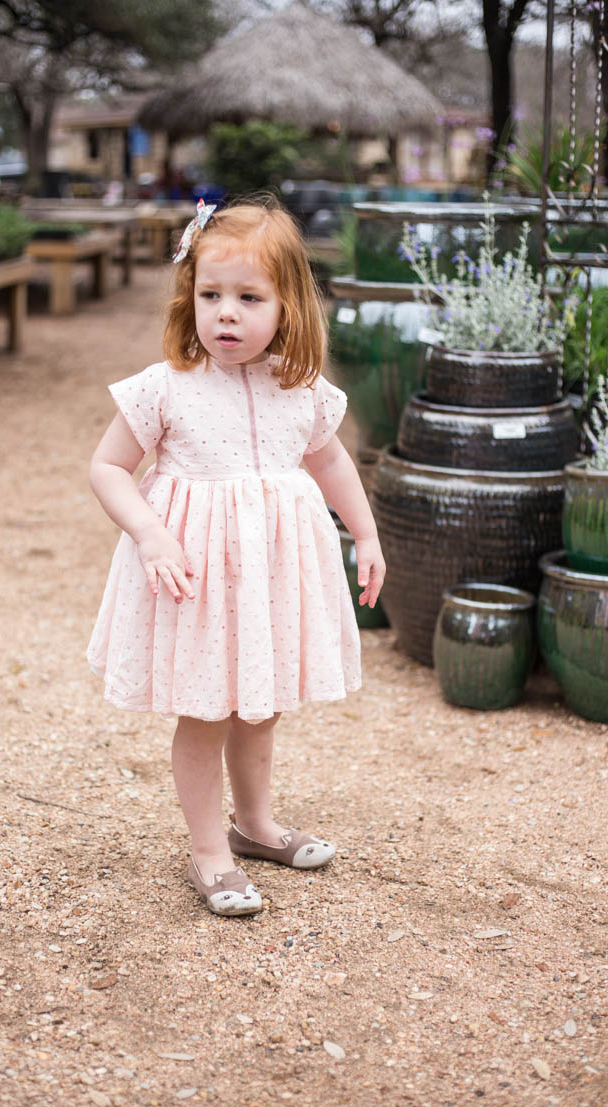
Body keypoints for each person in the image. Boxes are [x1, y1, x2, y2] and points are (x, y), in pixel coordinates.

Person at [87, 197, 385, 917]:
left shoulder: (300, 390)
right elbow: (106, 468)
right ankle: (209, 851)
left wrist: (368, 534)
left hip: (269, 584)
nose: (226, 313)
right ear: (190, 297)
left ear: (288, 307)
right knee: (205, 712)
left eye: (249, 297)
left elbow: (334, 468)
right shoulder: (167, 387)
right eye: (210, 294)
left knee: (261, 707)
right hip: (196, 580)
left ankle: (254, 826)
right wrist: (151, 533)